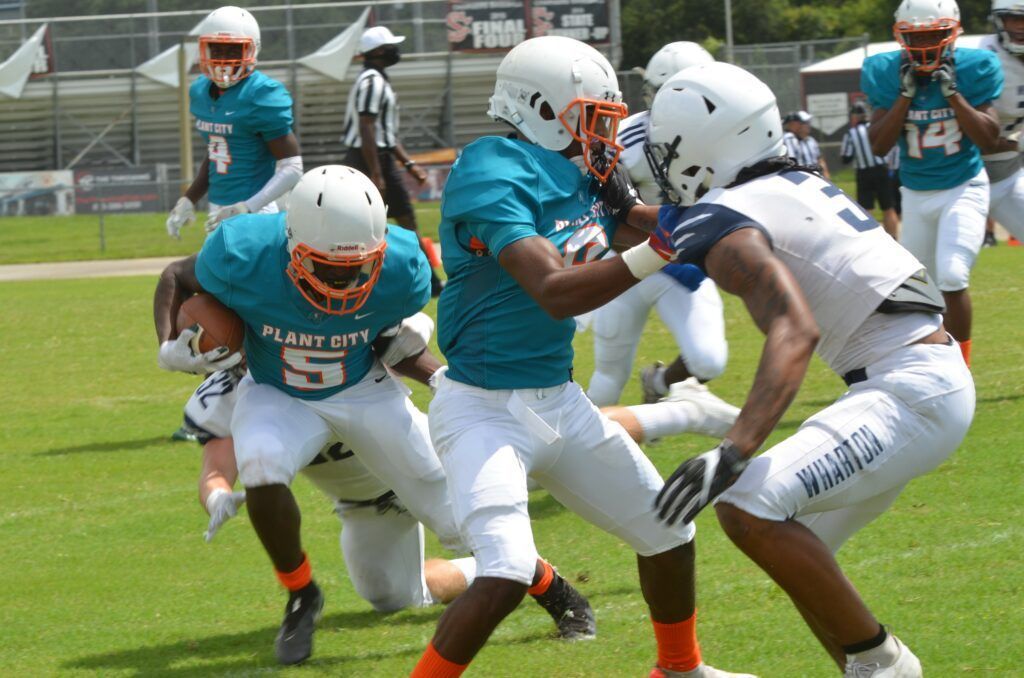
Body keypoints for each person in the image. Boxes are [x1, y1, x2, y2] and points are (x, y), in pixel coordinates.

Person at [154, 166, 599, 665]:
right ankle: (301, 593)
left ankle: (553, 588)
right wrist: (168, 345)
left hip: (362, 389)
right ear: (292, 243)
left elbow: (389, 339)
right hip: (279, 390)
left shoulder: (402, 264)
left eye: (359, 265)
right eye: (329, 266)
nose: (346, 279)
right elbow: (175, 275)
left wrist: (435, 374)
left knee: (455, 516)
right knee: (261, 466)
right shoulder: (244, 250)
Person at [409, 36, 753, 678]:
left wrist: (717, 217)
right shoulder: (492, 171)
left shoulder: (582, 164)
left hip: (559, 402)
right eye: (592, 117)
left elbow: (630, 219)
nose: (605, 133)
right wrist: (668, 245)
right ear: (540, 109)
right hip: (483, 410)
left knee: (669, 530)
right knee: (507, 571)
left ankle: (680, 670)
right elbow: (554, 290)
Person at [645, 61, 974, 678]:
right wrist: (624, 210)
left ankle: (886, 665)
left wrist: (734, 449)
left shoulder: (732, 209)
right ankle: (868, 667)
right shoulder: (793, 180)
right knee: (806, 554)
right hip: (923, 375)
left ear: (704, 146)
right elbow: (688, 232)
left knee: (746, 503)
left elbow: (793, 330)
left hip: (908, 387)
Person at [181, 360, 595, 628]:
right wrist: (218, 496)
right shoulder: (226, 396)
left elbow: (403, 347)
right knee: (393, 596)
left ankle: (556, 591)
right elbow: (217, 469)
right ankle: (495, 570)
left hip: (423, 464)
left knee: (530, 481)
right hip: (364, 505)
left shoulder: (331, 338)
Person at [582, 40, 730, 408]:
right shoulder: (625, 140)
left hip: (685, 267)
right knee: (606, 384)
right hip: (627, 261)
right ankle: (580, 456)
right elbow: (598, 213)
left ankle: (660, 381)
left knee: (709, 361)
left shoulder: (729, 139)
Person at [863, 0, 1003, 367]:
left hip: (963, 186)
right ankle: (932, 363)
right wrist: (905, 97)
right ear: (901, 37)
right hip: (915, 193)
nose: (925, 44)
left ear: (952, 33)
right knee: (920, 290)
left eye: (934, 34)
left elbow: (989, 139)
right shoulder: (886, 72)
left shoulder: (975, 67)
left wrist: (953, 93)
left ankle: (962, 367)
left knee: (953, 274)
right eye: (916, 36)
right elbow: (878, 145)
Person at [165, 5, 303, 239]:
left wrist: (247, 206)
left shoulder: (261, 94)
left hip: (256, 212)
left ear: (252, 49)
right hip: (218, 211)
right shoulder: (200, 91)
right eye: (215, 50)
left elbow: (293, 167)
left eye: (232, 51)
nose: (222, 60)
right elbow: (218, 150)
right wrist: (188, 199)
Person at [341, 25, 445, 297]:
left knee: (398, 222)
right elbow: (366, 127)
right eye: (390, 46)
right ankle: (427, 283)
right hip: (368, 159)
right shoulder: (371, 82)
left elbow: (385, 134)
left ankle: (428, 282)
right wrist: (376, 173)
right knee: (379, 225)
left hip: (376, 157)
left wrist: (409, 164)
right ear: (376, 51)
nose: (395, 51)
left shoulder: (377, 79)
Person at [980, 0, 1024, 243]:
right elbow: (977, 135)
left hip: (1008, 175)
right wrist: (1016, 144)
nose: (1021, 27)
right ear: (1000, 21)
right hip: (962, 178)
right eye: (1013, 18)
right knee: (942, 270)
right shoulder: (984, 59)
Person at [841, 101, 900, 238]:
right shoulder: (875, 128)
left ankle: (873, 240)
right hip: (882, 170)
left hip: (864, 173)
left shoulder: (851, 133)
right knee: (888, 208)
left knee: (866, 210)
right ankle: (894, 239)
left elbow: (846, 158)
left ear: (854, 117)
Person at [782, 111, 830, 179]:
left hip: (816, 178)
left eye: (808, 123)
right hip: (800, 179)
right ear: (794, 124)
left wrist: (826, 176)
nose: (808, 125)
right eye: (804, 123)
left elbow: (820, 159)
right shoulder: (789, 138)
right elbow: (791, 162)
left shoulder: (811, 140)